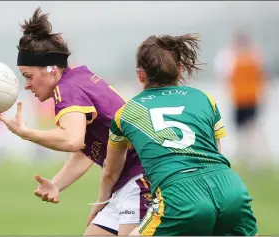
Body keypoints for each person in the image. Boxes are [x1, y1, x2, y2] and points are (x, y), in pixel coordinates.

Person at [0, 8, 150, 236]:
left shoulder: (67, 91)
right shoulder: (80, 78)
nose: (27, 85)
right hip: (125, 182)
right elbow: (88, 148)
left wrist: (25, 132)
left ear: (51, 69)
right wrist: (56, 184)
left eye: (28, 76)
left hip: (140, 180)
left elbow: (73, 140)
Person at [94, 33, 257, 236]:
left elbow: (110, 171)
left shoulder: (127, 112)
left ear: (140, 74)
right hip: (230, 189)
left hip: (179, 194)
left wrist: (99, 205)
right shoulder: (205, 99)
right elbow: (216, 154)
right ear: (179, 70)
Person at [213, 30, 267, 171]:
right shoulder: (251, 55)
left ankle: (252, 161)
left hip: (247, 98)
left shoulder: (237, 56)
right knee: (246, 131)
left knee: (248, 131)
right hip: (243, 99)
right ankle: (249, 160)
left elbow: (224, 76)